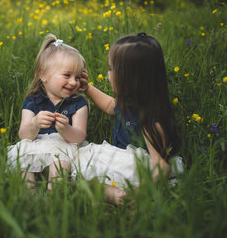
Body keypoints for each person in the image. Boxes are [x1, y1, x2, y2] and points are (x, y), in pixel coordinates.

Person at [75, 32, 183, 204]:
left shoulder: (151, 121)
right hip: (122, 161)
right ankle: (115, 194)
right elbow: (110, 106)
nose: (108, 74)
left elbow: (162, 168)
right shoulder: (129, 101)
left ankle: (123, 197)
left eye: (111, 69)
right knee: (81, 173)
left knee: (83, 176)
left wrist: (140, 191)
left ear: (129, 79)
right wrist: (87, 88)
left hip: (139, 169)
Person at [8, 34, 88, 191]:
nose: (73, 82)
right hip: (36, 145)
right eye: (67, 75)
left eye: (78, 77)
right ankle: (28, 195)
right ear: (43, 75)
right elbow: (24, 135)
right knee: (21, 154)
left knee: (60, 161)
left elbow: (79, 138)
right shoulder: (33, 101)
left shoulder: (78, 103)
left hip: (64, 146)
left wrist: (66, 129)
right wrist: (35, 123)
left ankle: (54, 196)